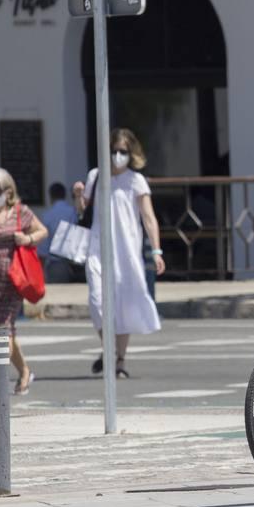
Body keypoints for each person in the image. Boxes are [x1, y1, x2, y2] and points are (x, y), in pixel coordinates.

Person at [77, 129, 164, 378]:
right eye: (114, 150)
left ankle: (119, 360)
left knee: (123, 305)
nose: (117, 156)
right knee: (97, 301)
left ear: (131, 153)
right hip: (97, 247)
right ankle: (109, 349)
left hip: (126, 249)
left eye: (123, 151)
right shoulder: (96, 175)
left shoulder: (136, 180)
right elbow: (83, 208)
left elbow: (149, 218)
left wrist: (156, 251)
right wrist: (77, 195)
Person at [0, 168, 47, 395]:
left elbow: (42, 231)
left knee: (3, 331)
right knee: (6, 331)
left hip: (13, 284)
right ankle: (25, 371)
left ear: (8, 192)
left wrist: (27, 238)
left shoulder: (20, 213)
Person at [37, 181, 79, 284]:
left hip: (56, 264)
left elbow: (43, 247)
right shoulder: (73, 212)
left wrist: (40, 272)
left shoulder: (47, 215)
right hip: (76, 264)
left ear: (51, 196)